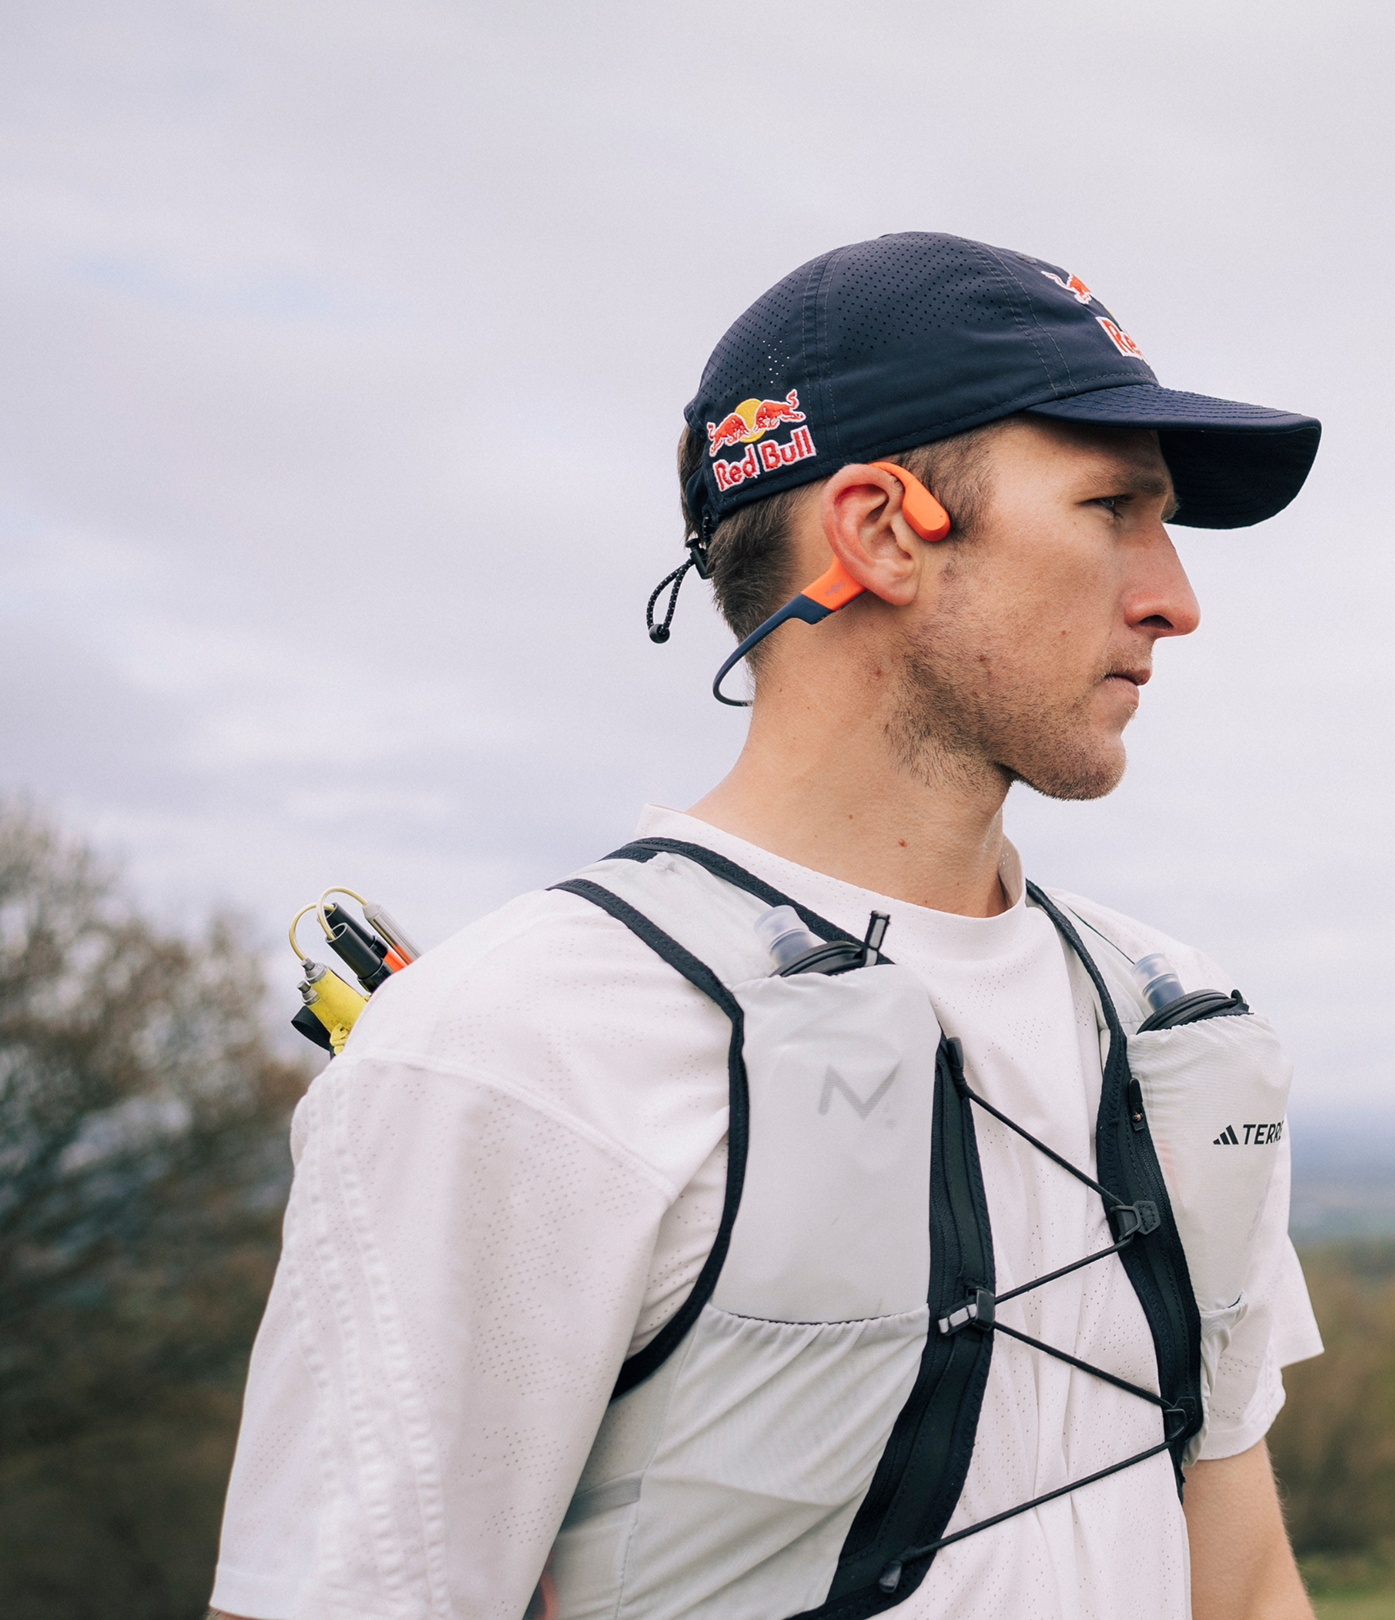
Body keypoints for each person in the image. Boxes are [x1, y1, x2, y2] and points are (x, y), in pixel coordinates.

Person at [208, 233, 1328, 1620]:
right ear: (879, 531)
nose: (1176, 599)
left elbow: (1242, 1576)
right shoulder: (515, 1052)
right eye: (1112, 508)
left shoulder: (1173, 1021)